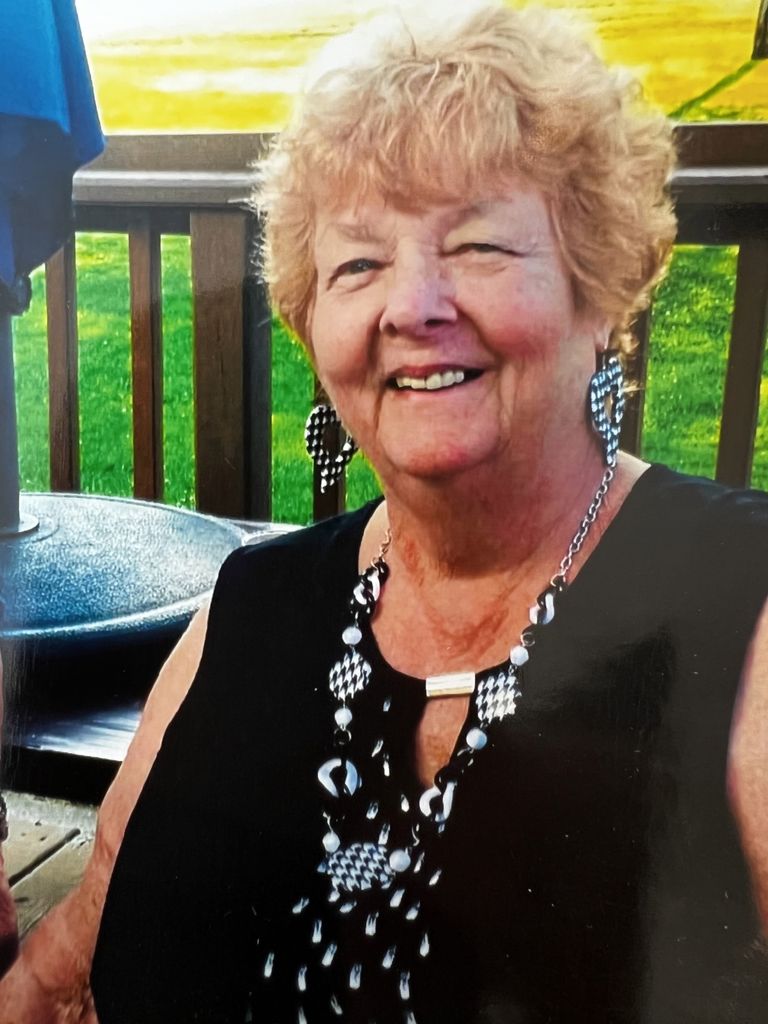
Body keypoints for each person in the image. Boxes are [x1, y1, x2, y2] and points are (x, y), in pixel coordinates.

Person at [82, 4, 768, 1022]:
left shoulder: (740, 610)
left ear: (598, 293)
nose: (412, 305)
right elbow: (67, 965)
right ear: (313, 323)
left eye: (480, 245)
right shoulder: (254, 604)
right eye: (359, 264)